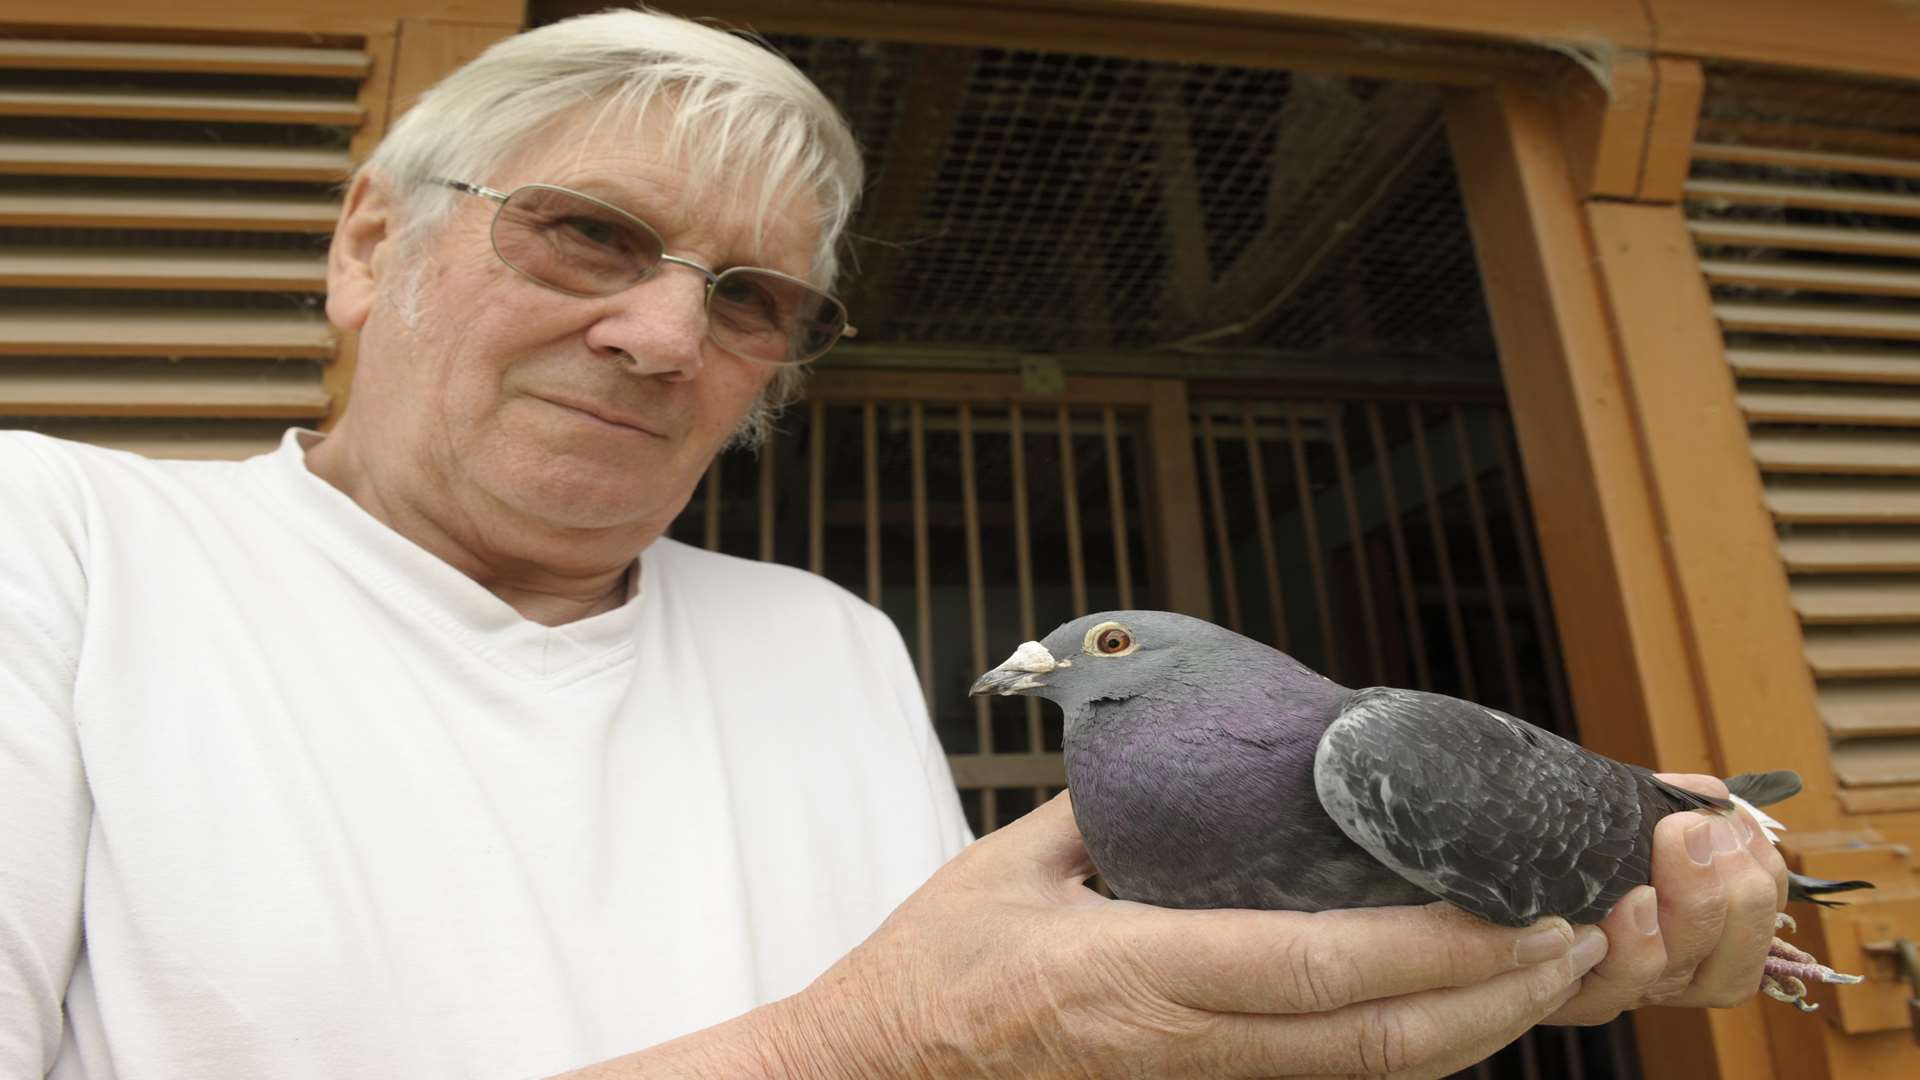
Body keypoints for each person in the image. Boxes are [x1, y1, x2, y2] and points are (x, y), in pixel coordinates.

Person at [0, 9, 1789, 1079]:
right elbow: (940, 1035)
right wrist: (863, 1053)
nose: (661, 337)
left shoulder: (831, 639)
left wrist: (1388, 986)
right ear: (370, 246)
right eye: (585, 235)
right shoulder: (60, 546)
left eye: (754, 297)